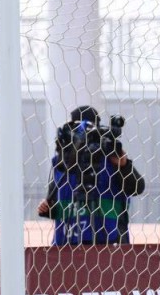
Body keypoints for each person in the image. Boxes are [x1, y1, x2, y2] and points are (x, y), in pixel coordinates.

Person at [36, 105, 145, 245]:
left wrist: (123, 166)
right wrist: (47, 209)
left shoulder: (110, 157)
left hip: (108, 245)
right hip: (69, 244)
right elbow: (56, 202)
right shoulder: (63, 162)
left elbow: (137, 187)